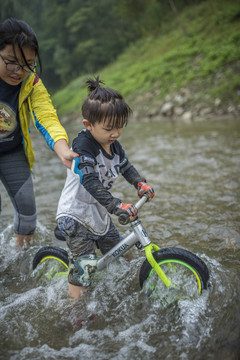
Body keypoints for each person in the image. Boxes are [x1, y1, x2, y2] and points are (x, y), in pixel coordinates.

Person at [56, 76, 155, 298]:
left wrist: (140, 183)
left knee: (120, 251)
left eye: (120, 126)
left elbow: (125, 166)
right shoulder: (83, 146)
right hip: (75, 215)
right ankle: (76, 311)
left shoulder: (114, 145)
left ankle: (122, 288)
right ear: (88, 125)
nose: (116, 133)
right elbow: (89, 180)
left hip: (98, 211)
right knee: (85, 266)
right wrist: (116, 204)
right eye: (109, 128)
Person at [0, 18, 78, 248]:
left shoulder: (31, 83)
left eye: (28, 64)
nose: (19, 71)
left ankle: (20, 256)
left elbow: (46, 117)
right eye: (12, 62)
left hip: (12, 152)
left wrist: (63, 148)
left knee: (27, 213)